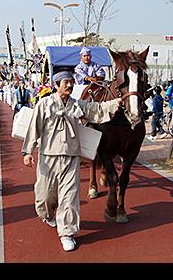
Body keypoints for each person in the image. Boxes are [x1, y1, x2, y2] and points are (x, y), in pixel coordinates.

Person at [21, 70, 122, 252]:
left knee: (69, 196)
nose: (69, 85)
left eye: (71, 82)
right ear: (56, 85)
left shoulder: (77, 105)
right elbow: (33, 128)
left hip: (70, 157)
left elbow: (96, 110)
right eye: (65, 82)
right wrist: (27, 152)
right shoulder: (45, 104)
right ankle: (48, 214)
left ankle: (67, 232)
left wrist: (115, 103)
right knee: (44, 196)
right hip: (48, 157)